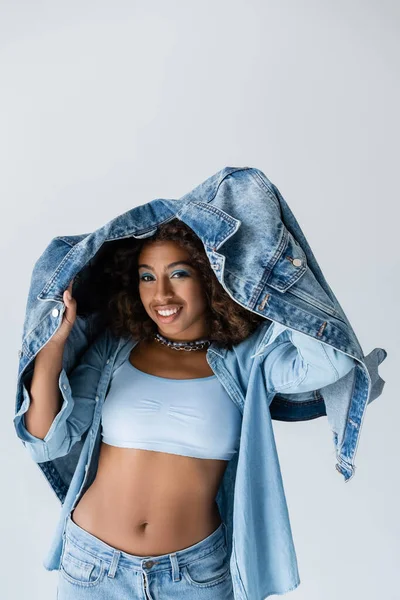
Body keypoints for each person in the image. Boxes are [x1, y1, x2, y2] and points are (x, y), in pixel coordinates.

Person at [22, 218, 356, 599]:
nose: (160, 293)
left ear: (210, 279)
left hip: (194, 575)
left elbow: (332, 361)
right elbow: (45, 440)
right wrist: (52, 345)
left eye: (178, 274)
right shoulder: (115, 349)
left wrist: (272, 278)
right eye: (147, 277)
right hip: (93, 566)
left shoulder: (248, 360)